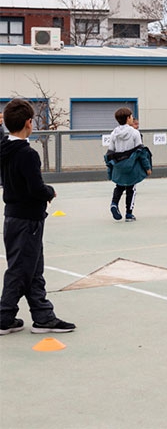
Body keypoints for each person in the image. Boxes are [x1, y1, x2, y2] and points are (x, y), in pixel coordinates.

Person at [0, 98, 75, 335]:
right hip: (27, 219)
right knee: (21, 270)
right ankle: (3, 316)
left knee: (32, 268)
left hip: (13, 217)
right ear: (29, 123)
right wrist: (49, 192)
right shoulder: (27, 154)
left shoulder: (4, 148)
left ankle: (43, 316)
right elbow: (35, 188)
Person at [106, 107, 152, 222]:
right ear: (128, 118)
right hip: (132, 166)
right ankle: (129, 213)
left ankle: (114, 204)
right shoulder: (135, 133)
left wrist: (111, 168)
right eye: (131, 116)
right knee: (131, 188)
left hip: (119, 165)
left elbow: (110, 151)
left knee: (119, 186)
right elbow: (141, 152)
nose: (132, 118)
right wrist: (147, 167)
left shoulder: (114, 133)